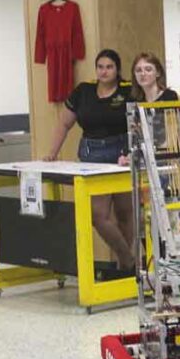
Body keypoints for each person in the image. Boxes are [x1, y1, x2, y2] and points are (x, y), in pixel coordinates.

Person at [43, 49, 137, 274]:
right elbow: (64, 124)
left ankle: (123, 270)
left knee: (125, 212)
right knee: (98, 215)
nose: (104, 71)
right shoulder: (83, 91)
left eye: (109, 67)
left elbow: (139, 122)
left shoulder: (128, 91)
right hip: (91, 155)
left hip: (121, 154)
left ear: (117, 70)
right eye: (100, 67)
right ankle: (129, 261)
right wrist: (52, 153)